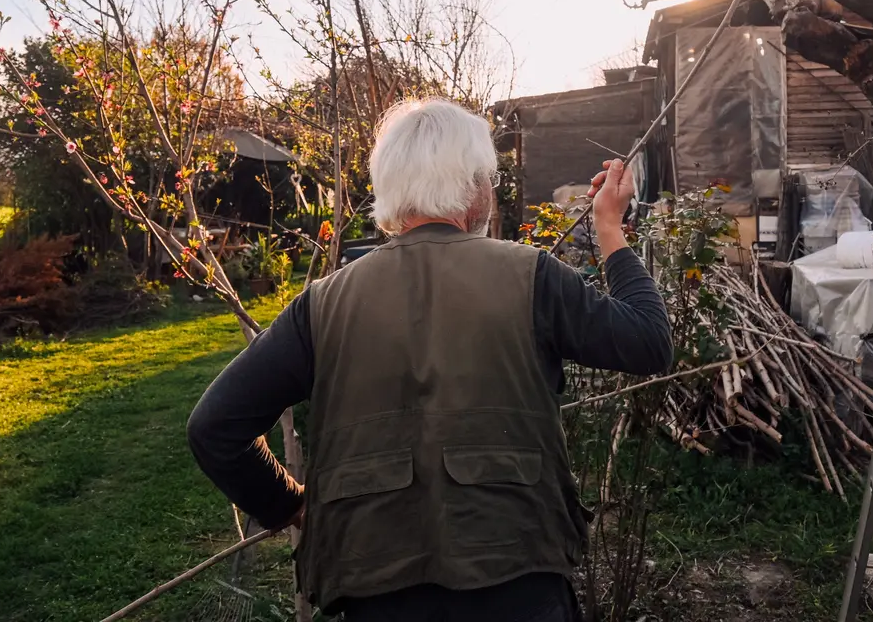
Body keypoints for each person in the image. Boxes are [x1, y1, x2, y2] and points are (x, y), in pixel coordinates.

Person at [187, 98, 673, 621]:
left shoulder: (323, 304)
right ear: (473, 187)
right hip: (517, 584)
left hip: (375, 591)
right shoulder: (532, 276)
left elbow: (215, 428)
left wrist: (290, 505)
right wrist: (609, 229)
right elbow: (648, 341)